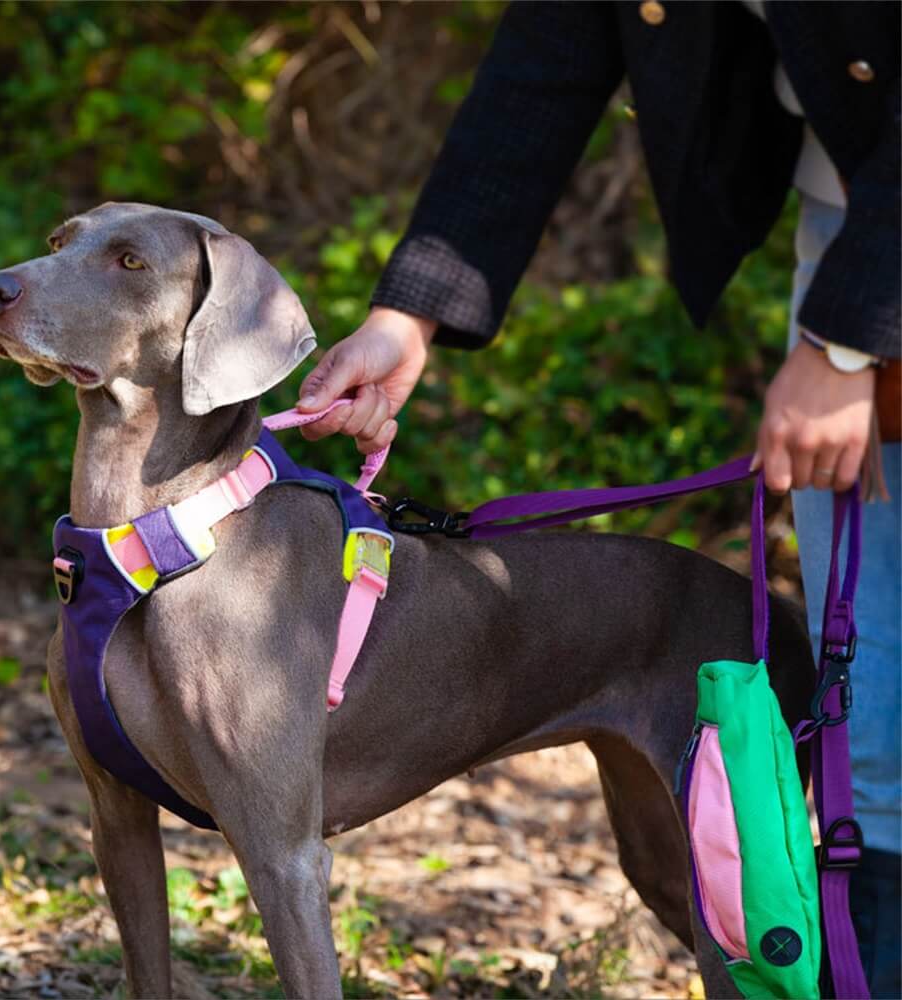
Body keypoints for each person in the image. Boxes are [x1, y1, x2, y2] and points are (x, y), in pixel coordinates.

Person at [294, 3, 900, 995]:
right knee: (869, 700)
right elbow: (540, 72)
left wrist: (844, 341)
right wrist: (408, 318)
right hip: (855, 228)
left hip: (868, 279)